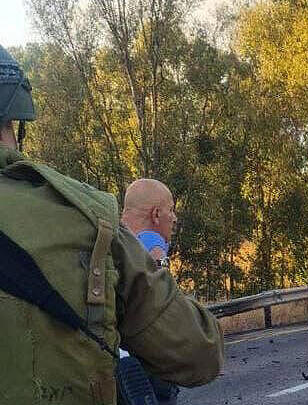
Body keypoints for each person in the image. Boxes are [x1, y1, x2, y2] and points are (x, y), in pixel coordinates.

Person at [0, 44, 224, 404]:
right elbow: (199, 352)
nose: (174, 219)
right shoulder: (87, 220)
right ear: (14, 118)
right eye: (170, 212)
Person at [121, 178, 181, 404]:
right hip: (145, 368)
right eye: (171, 210)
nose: (174, 218)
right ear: (156, 215)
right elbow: (166, 310)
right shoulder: (153, 245)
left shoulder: (112, 240)